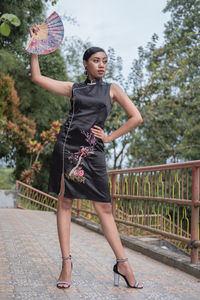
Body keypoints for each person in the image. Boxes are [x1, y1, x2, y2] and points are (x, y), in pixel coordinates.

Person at [29, 24, 143, 290]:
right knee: (65, 202)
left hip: (94, 152)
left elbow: (136, 117)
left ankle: (123, 263)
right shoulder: (74, 88)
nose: (102, 65)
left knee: (104, 206)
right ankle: (66, 263)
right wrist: (35, 47)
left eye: (105, 61)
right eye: (96, 60)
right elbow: (37, 78)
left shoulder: (112, 89)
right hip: (68, 149)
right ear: (85, 64)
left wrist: (109, 137)